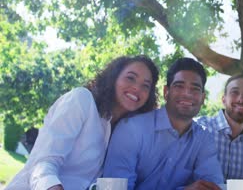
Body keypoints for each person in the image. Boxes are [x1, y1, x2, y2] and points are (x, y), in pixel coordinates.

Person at [6, 55, 159, 190]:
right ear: (114, 78)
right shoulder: (81, 100)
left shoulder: (127, 134)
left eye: (145, 85)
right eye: (130, 78)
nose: (136, 88)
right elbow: (43, 163)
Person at [103, 57, 224, 190]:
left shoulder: (204, 139)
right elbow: (117, 188)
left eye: (195, 89)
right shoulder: (131, 129)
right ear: (166, 92)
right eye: (179, 86)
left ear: (202, 98)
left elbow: (213, 186)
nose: (187, 93)